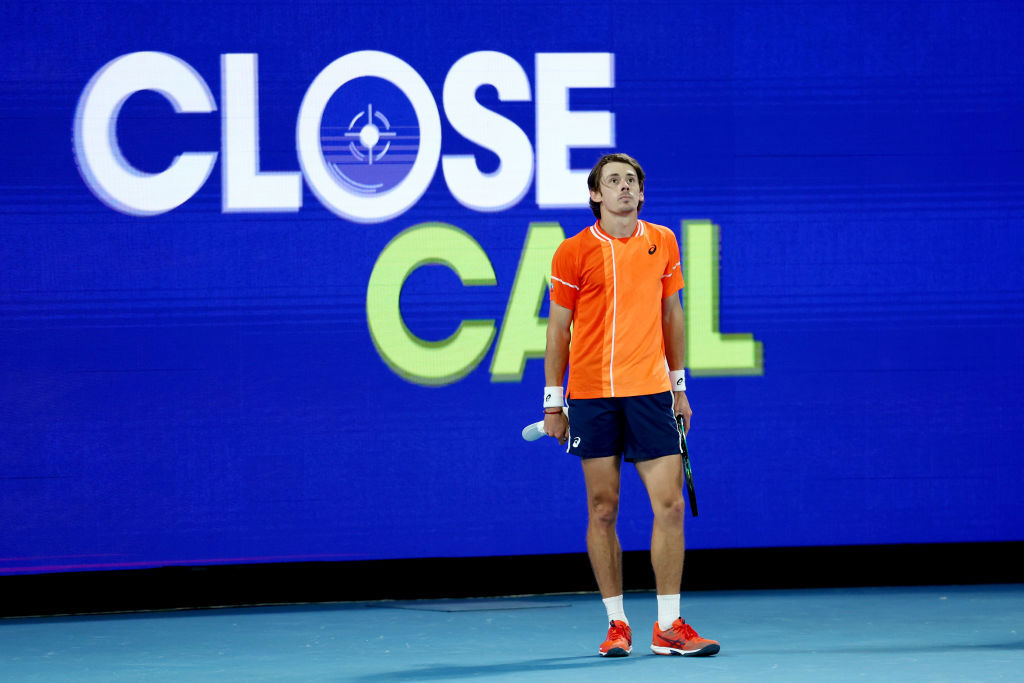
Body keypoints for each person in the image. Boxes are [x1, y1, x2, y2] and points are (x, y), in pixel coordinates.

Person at [542, 153, 720, 658]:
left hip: (650, 393)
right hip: (593, 396)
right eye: (613, 181)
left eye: (631, 181)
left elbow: (672, 313)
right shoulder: (573, 252)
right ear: (596, 195)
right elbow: (558, 329)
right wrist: (555, 403)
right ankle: (617, 624)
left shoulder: (662, 241)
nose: (624, 187)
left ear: (641, 194)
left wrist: (678, 387)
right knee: (603, 509)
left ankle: (669, 626)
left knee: (670, 505)